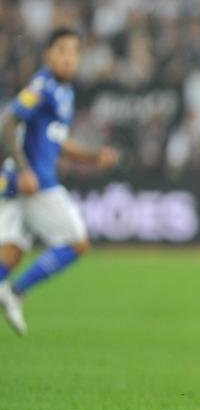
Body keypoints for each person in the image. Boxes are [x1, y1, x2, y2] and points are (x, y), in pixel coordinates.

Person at [0, 28, 120, 336]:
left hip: (23, 181)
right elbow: (8, 123)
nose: (69, 58)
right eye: (62, 50)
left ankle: (10, 290)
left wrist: (92, 157)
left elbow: (59, 139)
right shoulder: (42, 86)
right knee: (77, 242)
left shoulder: (64, 92)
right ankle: (16, 292)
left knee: (11, 251)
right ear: (47, 55)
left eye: (74, 52)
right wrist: (26, 170)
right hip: (36, 181)